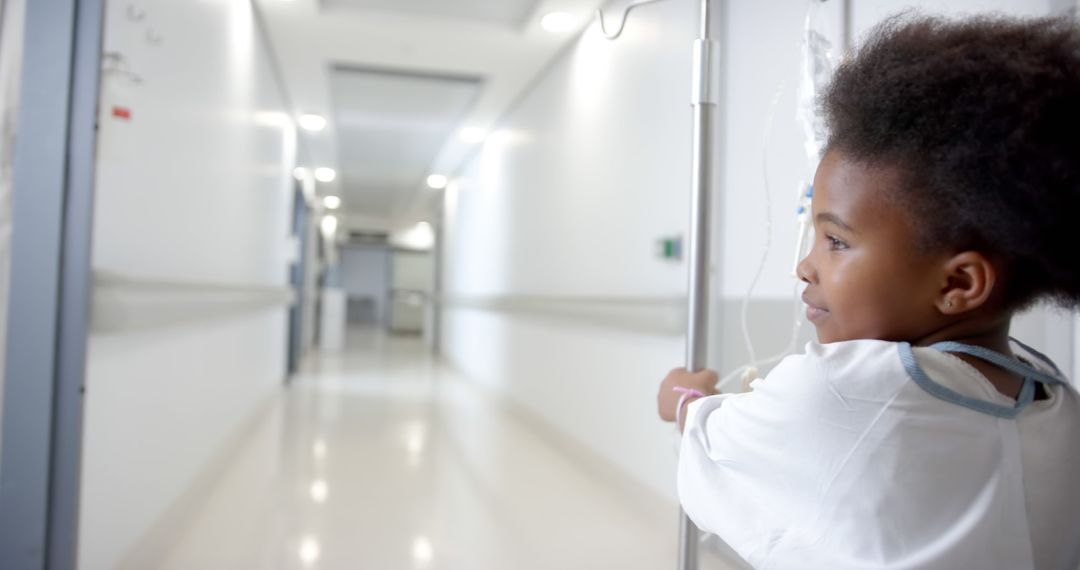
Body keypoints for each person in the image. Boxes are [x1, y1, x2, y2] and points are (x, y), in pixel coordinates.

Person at [657, 13, 1080, 570]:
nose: (805, 267)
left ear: (958, 284)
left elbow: (711, 438)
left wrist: (683, 397)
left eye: (835, 240)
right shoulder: (1056, 398)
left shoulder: (843, 389)